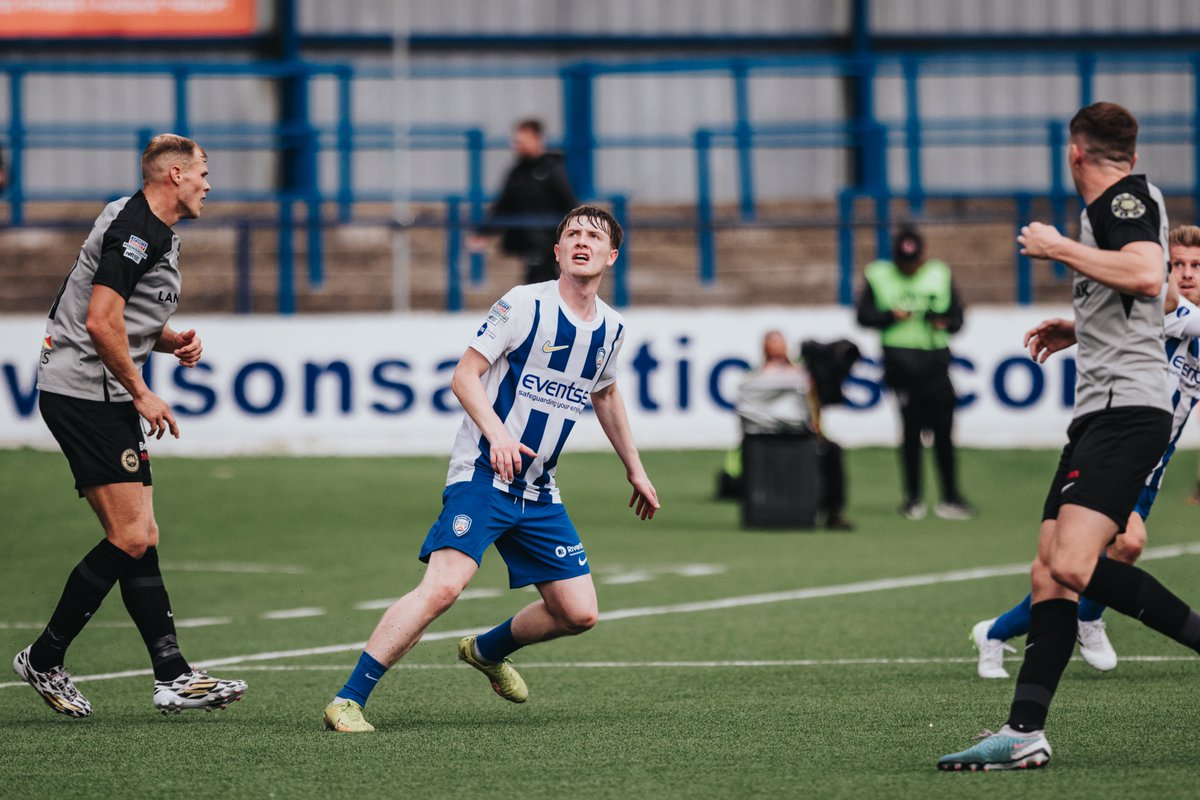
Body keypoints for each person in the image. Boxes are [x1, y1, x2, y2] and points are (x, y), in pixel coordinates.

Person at [323, 205, 659, 733]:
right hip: (483, 473)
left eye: (594, 236)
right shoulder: (524, 304)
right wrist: (498, 434)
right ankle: (348, 700)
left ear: (611, 255)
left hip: (539, 490)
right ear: (557, 251)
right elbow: (465, 375)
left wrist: (634, 469)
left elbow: (607, 393)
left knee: (578, 613)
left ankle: (485, 651)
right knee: (443, 588)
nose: (582, 241)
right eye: (572, 233)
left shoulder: (612, 328)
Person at [938, 103, 1200, 772]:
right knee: (1050, 570)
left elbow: (1146, 274)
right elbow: (1152, 300)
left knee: (1077, 565)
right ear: (1129, 154)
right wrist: (1081, 329)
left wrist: (1056, 247)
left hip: (1126, 411)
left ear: (1074, 152)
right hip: (1098, 413)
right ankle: (1023, 731)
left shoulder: (1122, 203)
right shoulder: (1117, 206)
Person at [14, 134, 247, 718]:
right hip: (88, 394)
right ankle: (44, 657)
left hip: (92, 391)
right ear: (174, 176)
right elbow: (99, 320)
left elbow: (114, 313)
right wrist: (142, 391)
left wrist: (169, 339)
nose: (208, 184)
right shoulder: (137, 231)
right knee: (131, 536)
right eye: (202, 172)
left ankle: (172, 674)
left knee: (140, 534)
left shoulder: (141, 221)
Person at [969, 225, 1200, 680]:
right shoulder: (1170, 313)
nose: (1187, 273)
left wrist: (1076, 332)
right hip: (1113, 450)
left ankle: (996, 631)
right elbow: (1139, 317)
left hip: (1151, 469)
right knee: (1124, 543)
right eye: (1178, 265)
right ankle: (1088, 620)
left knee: (1072, 570)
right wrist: (1077, 331)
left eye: (1196, 266)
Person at [856, 225, 973, 520]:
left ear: (923, 255)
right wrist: (889, 316)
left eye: (913, 261)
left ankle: (950, 497)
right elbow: (863, 316)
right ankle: (913, 498)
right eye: (903, 262)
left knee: (944, 435)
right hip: (902, 368)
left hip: (936, 364)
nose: (909, 267)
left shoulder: (939, 274)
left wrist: (943, 321)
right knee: (911, 435)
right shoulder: (879, 275)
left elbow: (958, 319)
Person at [724, 330, 852, 529]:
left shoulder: (804, 378)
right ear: (764, 352)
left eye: (781, 351)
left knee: (831, 450)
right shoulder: (753, 379)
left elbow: (815, 415)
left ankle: (833, 513)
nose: (778, 357)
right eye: (773, 352)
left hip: (801, 439)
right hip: (763, 441)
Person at [470, 118, 578, 284]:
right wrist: (483, 232)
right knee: (537, 285)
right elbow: (503, 206)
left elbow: (569, 205)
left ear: (537, 139)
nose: (517, 146)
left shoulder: (553, 170)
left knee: (543, 283)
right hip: (526, 243)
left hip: (549, 242)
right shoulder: (517, 173)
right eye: (516, 141)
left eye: (522, 141)